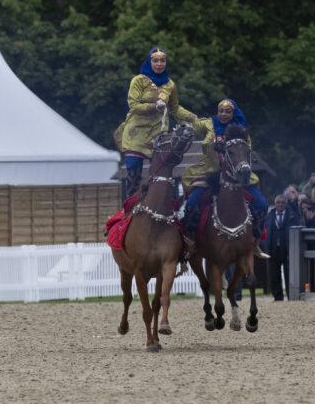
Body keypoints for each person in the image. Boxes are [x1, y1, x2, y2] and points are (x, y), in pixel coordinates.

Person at [180, 99, 269, 258]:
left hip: (236, 176)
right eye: (221, 111)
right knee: (192, 203)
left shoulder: (241, 130)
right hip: (209, 173)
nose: (223, 114)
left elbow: (245, 152)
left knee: (262, 204)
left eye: (228, 111)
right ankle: (191, 242)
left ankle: (254, 242)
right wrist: (182, 120)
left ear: (233, 113)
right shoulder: (209, 124)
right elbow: (193, 126)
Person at [114, 47, 198, 200]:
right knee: (133, 168)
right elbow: (133, 105)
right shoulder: (138, 80)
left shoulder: (170, 85)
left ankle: (161, 202)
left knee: (162, 170)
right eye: (155, 61)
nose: (159, 64)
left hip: (158, 133)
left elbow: (174, 108)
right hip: (136, 133)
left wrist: (193, 118)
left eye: (162, 61)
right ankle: (130, 204)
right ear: (149, 62)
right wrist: (154, 106)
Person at [263, 194, 297, 300]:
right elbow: (265, 231)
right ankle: (277, 297)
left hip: (287, 249)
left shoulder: (292, 215)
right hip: (273, 249)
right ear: (275, 204)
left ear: (286, 204)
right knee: (274, 274)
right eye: (278, 202)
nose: (280, 205)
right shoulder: (269, 215)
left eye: (282, 202)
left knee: (289, 274)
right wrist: (265, 247)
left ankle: (291, 296)